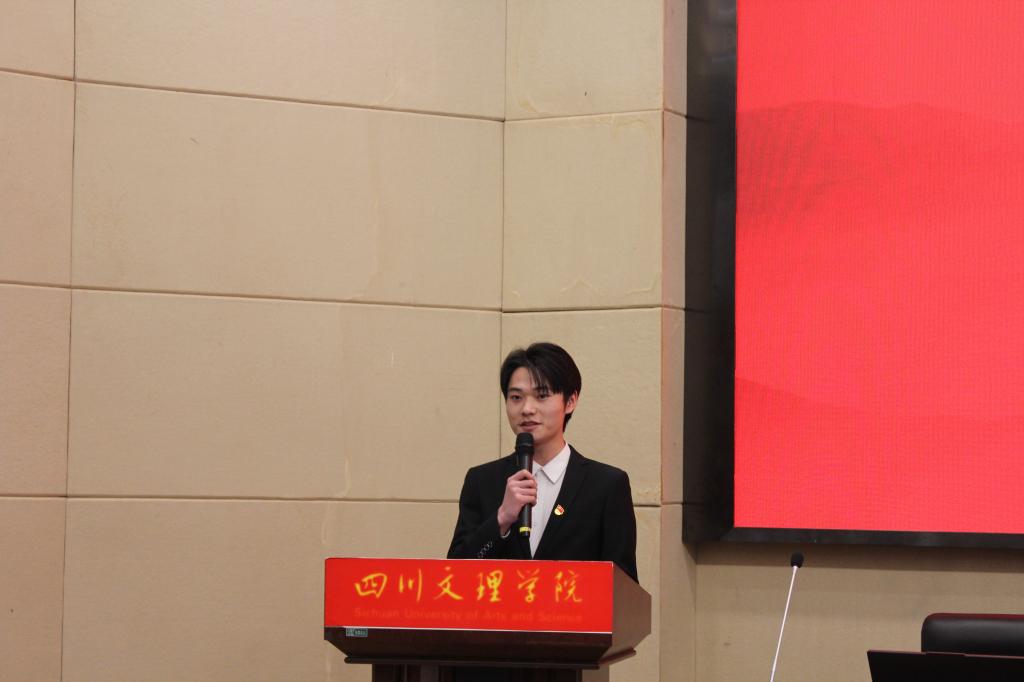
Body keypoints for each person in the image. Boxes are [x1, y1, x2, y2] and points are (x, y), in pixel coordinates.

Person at [447, 342, 638, 583]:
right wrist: (502, 518)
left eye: (542, 396)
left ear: (570, 401)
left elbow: (623, 587)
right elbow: (454, 577)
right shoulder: (482, 481)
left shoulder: (606, 486)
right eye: (516, 397)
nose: (527, 409)